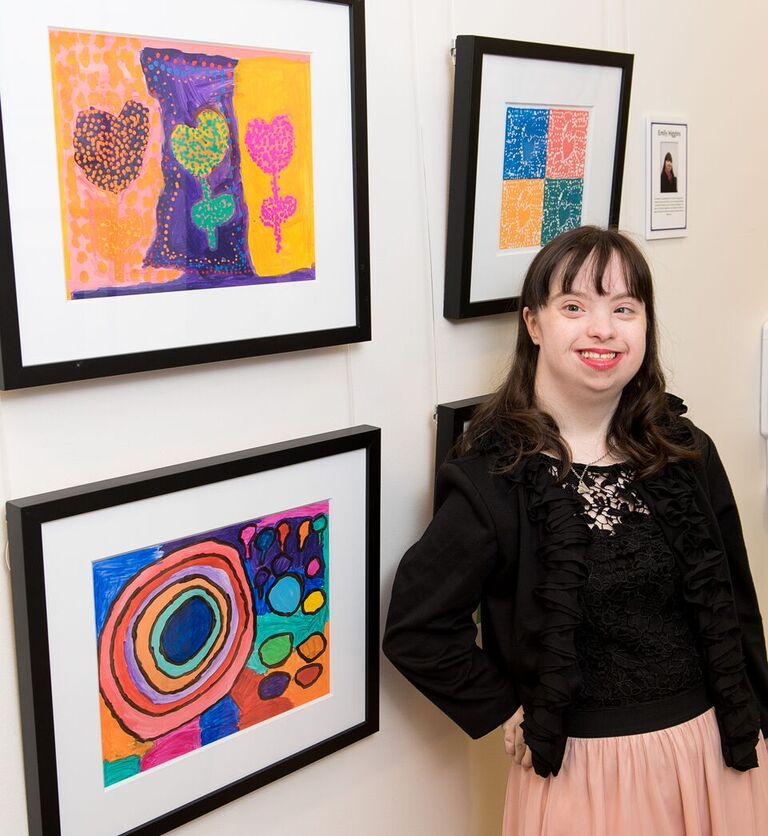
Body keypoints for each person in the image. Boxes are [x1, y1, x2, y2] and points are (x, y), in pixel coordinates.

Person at [383, 225, 768, 835]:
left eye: (624, 308)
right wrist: (504, 707)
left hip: (716, 754)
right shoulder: (495, 477)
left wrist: (757, 720)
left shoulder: (687, 451)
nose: (603, 329)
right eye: (574, 307)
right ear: (533, 324)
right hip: (586, 779)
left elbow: (738, 604)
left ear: (645, 325)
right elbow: (416, 628)